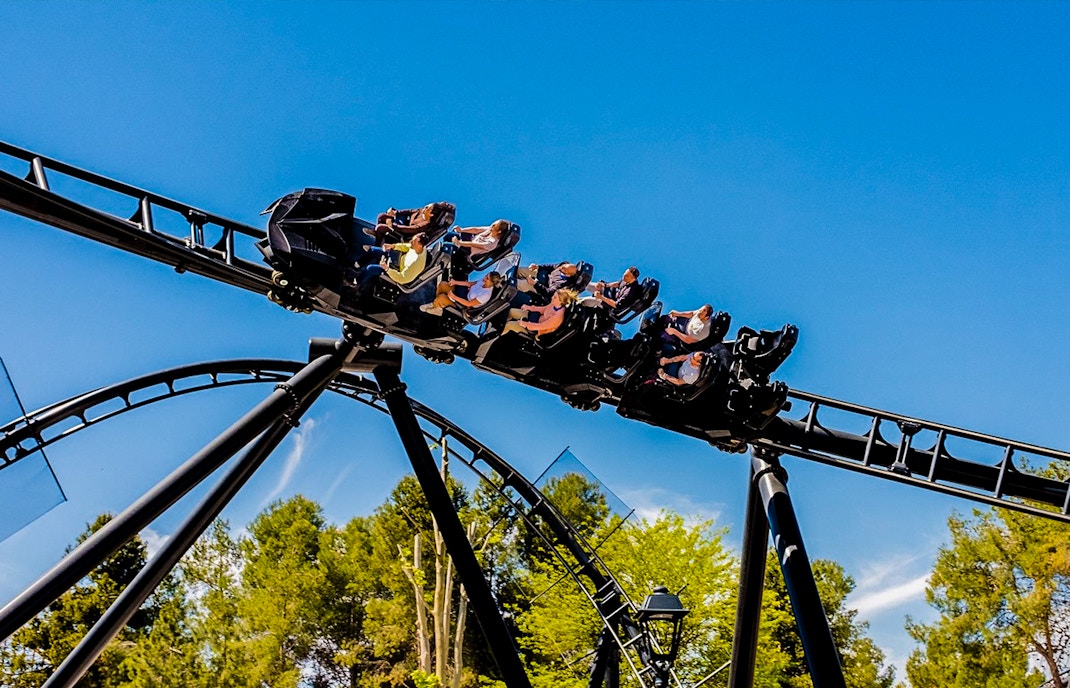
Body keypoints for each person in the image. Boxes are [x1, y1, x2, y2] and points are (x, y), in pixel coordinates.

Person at [354, 232, 429, 294]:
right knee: (373, 250)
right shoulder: (418, 247)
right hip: (397, 259)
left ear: (420, 246)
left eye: (413, 242)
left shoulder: (416, 263)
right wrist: (393, 246)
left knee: (370, 268)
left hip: (396, 271)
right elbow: (406, 246)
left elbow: (402, 279)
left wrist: (387, 269)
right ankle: (357, 265)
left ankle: (356, 282)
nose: (410, 242)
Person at [366, 202, 455, 245]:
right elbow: (410, 211)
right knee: (381, 216)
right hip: (403, 223)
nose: (425, 207)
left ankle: (377, 245)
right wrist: (395, 212)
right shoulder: (421, 211)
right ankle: (378, 235)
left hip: (403, 233)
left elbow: (410, 230)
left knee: (380, 228)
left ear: (431, 214)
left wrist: (392, 225)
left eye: (427, 208)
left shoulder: (425, 225)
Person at [501, 288, 577, 337]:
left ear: (561, 301)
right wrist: (529, 307)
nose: (552, 298)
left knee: (509, 325)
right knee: (511, 311)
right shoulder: (554, 304)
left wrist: (525, 324)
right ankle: (499, 324)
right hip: (535, 318)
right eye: (553, 296)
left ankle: (495, 335)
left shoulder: (557, 317)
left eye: (555, 297)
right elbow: (543, 309)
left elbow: (540, 326)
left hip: (536, 330)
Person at [420, 271, 503, 316]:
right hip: (464, 294)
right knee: (443, 285)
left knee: (442, 297)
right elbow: (470, 284)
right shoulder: (484, 281)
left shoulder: (485, 295)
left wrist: (454, 297)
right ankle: (438, 305)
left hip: (464, 305)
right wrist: (455, 282)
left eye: (487, 278)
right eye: (486, 275)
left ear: (491, 282)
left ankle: (438, 305)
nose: (484, 277)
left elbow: (468, 304)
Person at [517, 261, 581, 303]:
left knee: (524, 284)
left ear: (567, 275)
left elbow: (549, 293)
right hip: (542, 276)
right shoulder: (563, 265)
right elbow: (551, 267)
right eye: (563, 266)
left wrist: (535, 284)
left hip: (541, 287)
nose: (561, 268)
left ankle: (509, 284)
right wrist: (538, 266)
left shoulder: (563, 284)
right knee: (522, 270)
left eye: (564, 269)